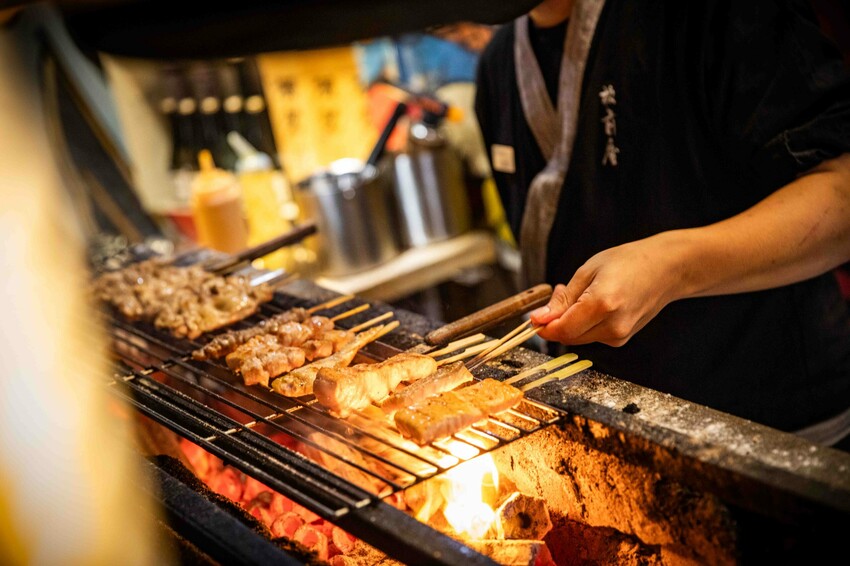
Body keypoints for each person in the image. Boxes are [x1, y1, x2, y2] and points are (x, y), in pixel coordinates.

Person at [474, 0, 850, 450]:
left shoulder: (701, 14)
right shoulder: (497, 68)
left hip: (778, 436)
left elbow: (842, 195)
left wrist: (669, 267)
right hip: (615, 446)